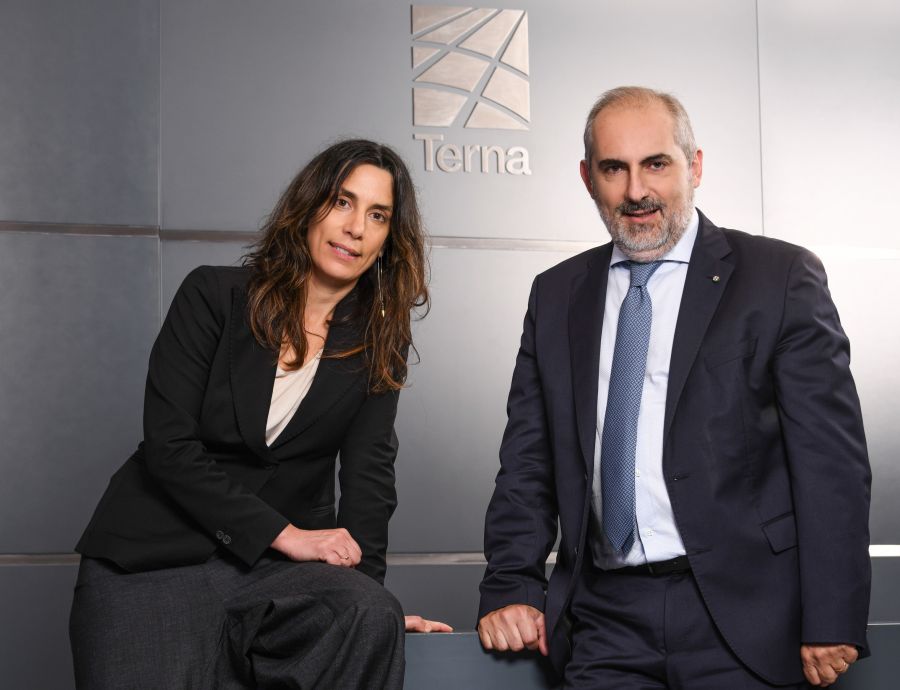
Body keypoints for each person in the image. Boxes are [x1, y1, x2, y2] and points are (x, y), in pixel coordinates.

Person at [477, 87, 871, 689]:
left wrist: (833, 614)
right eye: (614, 168)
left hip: (749, 614)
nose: (637, 190)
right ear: (587, 178)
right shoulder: (556, 294)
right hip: (605, 619)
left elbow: (830, 461)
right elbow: (528, 458)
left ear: (696, 166)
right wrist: (511, 583)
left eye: (657, 164)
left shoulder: (779, 277)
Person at [70, 139, 450, 689]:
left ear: (389, 239)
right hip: (151, 561)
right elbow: (169, 448)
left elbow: (369, 478)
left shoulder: (376, 344)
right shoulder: (212, 295)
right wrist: (283, 532)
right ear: (309, 206)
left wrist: (370, 600)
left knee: (368, 615)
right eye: (342, 202)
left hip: (268, 577)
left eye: (377, 215)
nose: (355, 228)